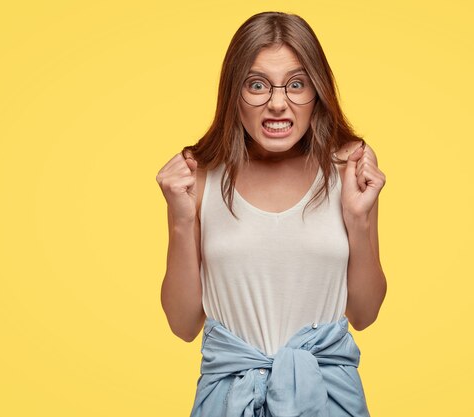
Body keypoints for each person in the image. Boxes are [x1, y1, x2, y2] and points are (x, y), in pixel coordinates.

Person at [156, 11, 387, 416]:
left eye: (296, 84)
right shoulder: (199, 175)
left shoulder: (349, 166)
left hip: (328, 401)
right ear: (234, 93)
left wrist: (359, 220)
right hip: (229, 402)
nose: (278, 104)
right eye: (257, 85)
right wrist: (178, 219)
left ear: (317, 91)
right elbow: (183, 324)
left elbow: (365, 313)